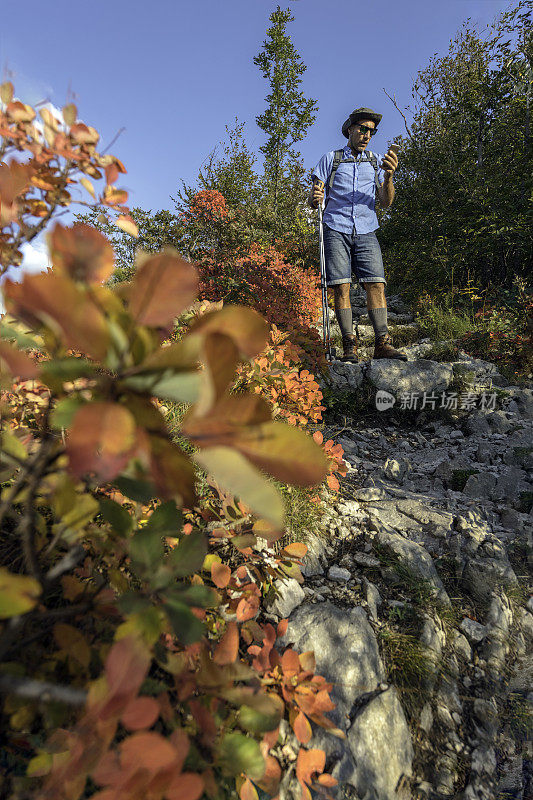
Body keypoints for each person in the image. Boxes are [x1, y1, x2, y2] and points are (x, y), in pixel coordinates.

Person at [309, 107, 408, 362]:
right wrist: (314, 198)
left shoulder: (375, 161)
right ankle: (349, 347)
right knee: (341, 287)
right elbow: (314, 194)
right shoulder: (331, 159)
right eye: (362, 129)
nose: (366, 135)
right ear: (350, 129)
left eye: (371, 132)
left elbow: (385, 202)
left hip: (366, 230)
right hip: (335, 228)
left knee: (376, 284)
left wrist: (388, 177)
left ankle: (382, 344)